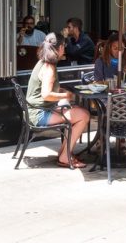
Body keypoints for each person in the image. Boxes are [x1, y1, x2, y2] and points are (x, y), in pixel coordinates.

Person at [25, 32, 90, 168]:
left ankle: (64, 152)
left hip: (36, 110)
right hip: (39, 114)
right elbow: (46, 94)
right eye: (64, 46)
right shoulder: (49, 67)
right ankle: (65, 156)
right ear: (60, 47)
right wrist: (66, 96)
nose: (64, 49)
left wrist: (62, 92)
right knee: (83, 115)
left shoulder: (42, 62)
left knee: (76, 111)